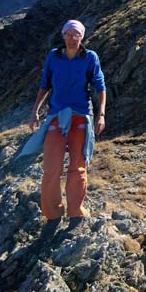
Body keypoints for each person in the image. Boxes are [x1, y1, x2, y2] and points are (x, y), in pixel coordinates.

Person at [28, 19, 106, 230]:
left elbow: (100, 86)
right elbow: (45, 84)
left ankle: (75, 211)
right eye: (69, 34)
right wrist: (35, 112)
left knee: (77, 167)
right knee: (51, 167)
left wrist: (101, 114)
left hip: (81, 116)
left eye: (76, 35)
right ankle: (53, 214)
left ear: (82, 37)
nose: (72, 38)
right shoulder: (54, 56)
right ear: (63, 36)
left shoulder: (90, 57)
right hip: (57, 116)